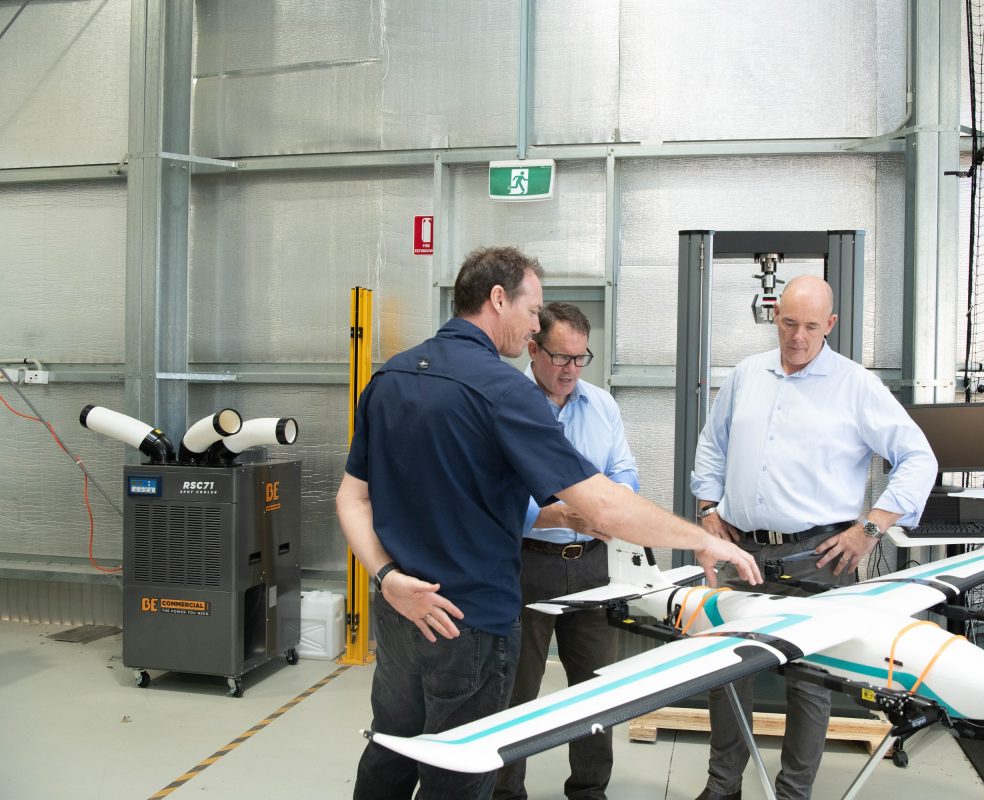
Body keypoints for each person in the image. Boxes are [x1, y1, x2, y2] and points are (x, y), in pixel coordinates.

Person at [337, 246, 762, 800]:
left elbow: (352, 498)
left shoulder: (389, 376)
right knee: (460, 772)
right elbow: (604, 506)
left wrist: (387, 576)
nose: (535, 324)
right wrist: (702, 538)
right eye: (532, 309)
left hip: (400, 613)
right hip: (470, 623)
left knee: (390, 750)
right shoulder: (505, 392)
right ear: (497, 299)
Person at [689, 275, 937, 800]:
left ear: (831, 324)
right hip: (742, 548)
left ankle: (793, 794)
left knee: (809, 683)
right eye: (787, 324)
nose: (797, 337)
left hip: (816, 555)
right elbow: (712, 445)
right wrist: (709, 509)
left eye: (809, 326)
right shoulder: (746, 375)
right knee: (725, 671)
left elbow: (920, 458)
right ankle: (722, 787)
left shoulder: (856, 385)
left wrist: (872, 527)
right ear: (773, 317)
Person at [492, 303, 635, 800]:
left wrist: (614, 505)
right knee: (517, 688)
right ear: (532, 349)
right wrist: (550, 515)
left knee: (597, 686)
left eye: (581, 358)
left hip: (592, 566)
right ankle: (506, 792)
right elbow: (491, 490)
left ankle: (590, 790)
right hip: (527, 562)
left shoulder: (602, 406)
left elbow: (624, 471)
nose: (571, 369)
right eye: (560, 357)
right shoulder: (505, 405)